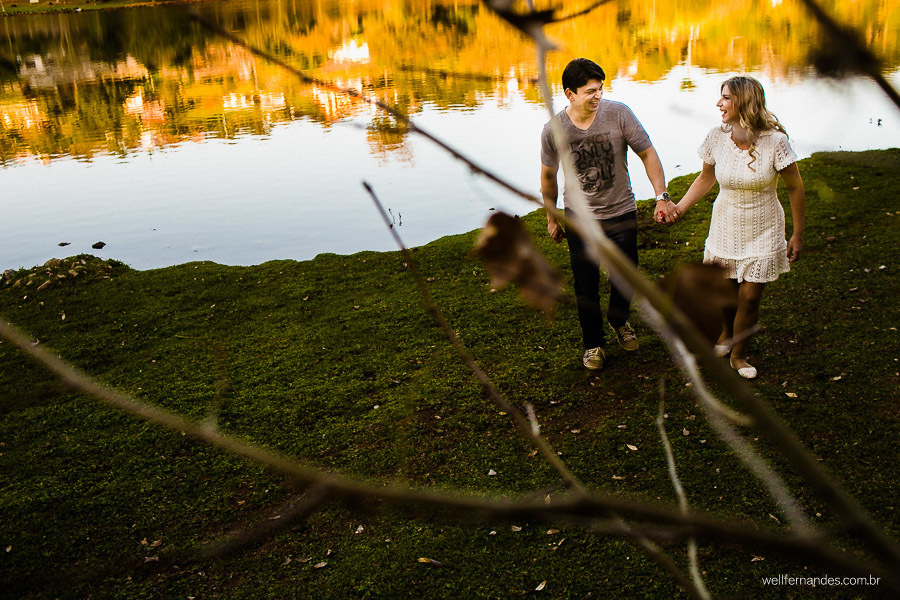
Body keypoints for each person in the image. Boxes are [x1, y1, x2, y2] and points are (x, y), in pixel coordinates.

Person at [540, 58, 677, 371]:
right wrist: (552, 218)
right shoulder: (554, 130)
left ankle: (618, 319)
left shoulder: (619, 113)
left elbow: (647, 152)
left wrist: (662, 196)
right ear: (569, 94)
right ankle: (593, 344)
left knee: (625, 276)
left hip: (621, 212)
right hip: (579, 218)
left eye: (600, 88)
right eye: (590, 91)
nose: (597, 95)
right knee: (585, 284)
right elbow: (548, 176)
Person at [667, 76, 806, 379]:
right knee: (726, 293)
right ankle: (726, 335)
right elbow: (706, 178)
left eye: (726, 98)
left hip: (764, 226)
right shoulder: (716, 136)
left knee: (750, 296)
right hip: (726, 226)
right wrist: (679, 207)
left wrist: (797, 233)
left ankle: (739, 355)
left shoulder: (775, 141)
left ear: (744, 102)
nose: (719, 103)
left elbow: (796, 188)